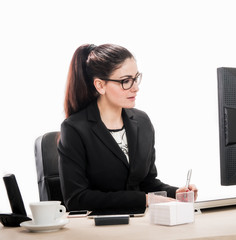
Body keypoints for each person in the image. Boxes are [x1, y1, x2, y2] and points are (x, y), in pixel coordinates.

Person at [58, 43, 198, 211]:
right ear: (100, 86)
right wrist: (143, 200)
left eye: (136, 78)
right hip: (99, 229)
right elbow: (76, 199)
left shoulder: (142, 121)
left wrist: (176, 193)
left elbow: (148, 183)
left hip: (142, 223)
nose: (136, 88)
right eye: (125, 81)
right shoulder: (75, 129)